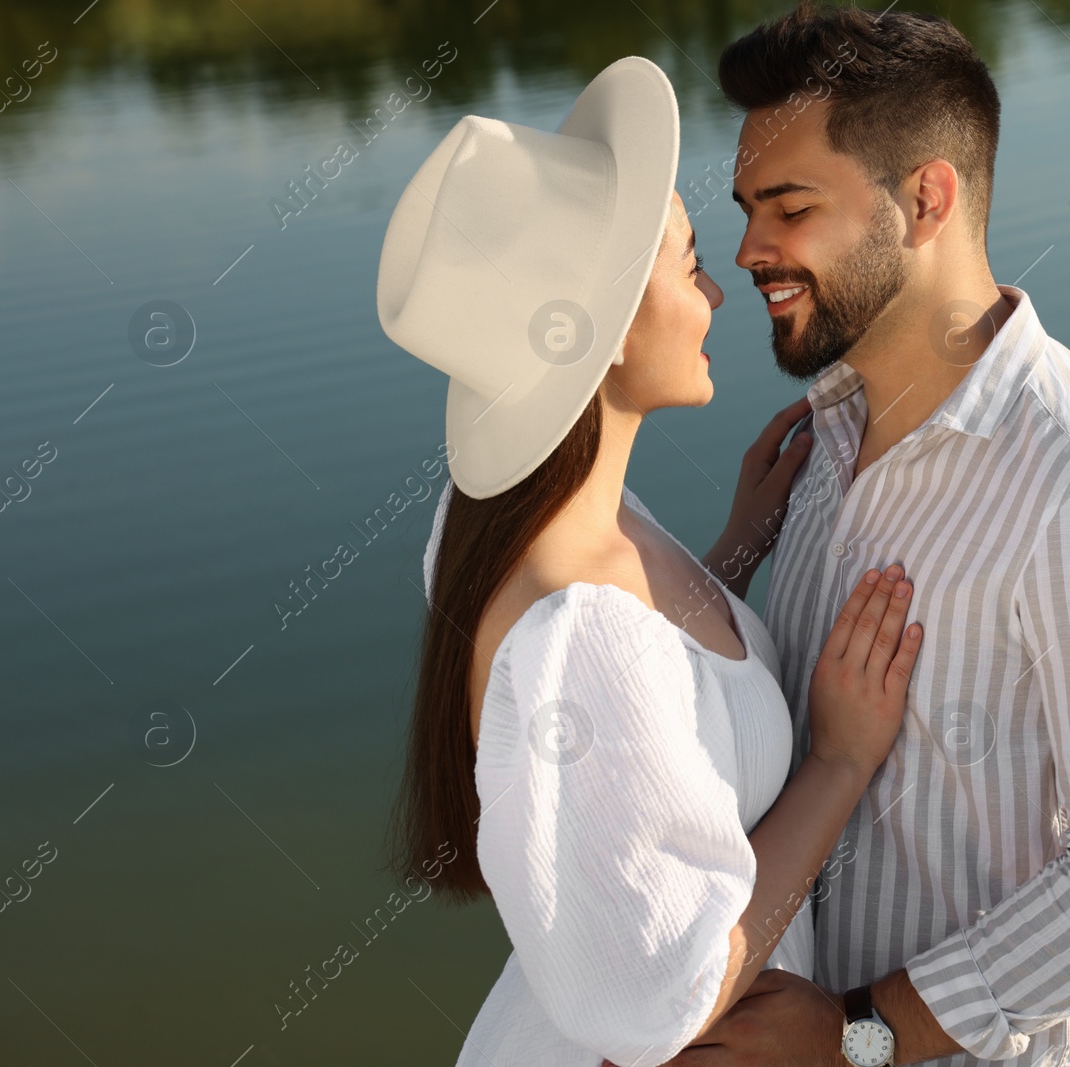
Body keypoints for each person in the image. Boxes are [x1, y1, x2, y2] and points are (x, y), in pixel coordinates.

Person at [666, 5, 1070, 1066]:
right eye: (747, 208)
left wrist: (859, 1034)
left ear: (926, 198)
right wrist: (738, 554)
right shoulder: (820, 443)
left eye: (789, 208)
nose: (747, 250)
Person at [374, 57, 925, 1067]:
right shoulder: (578, 627)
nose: (719, 287)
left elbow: (640, 709)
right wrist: (840, 761)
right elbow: (666, 996)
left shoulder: (531, 510)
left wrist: (727, 559)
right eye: (687, 263)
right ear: (605, 325)